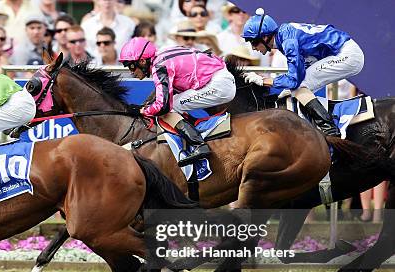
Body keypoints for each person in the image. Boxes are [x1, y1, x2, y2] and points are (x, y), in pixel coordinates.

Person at [241, 8, 364, 137]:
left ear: (265, 37)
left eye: (254, 42)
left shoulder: (287, 40)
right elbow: (297, 76)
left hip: (347, 55)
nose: (253, 48)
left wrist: (264, 80)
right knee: (291, 90)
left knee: (300, 85)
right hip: (343, 53)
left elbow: (294, 80)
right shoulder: (284, 37)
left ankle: (330, 129)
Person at [119, 37, 235, 167]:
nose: (131, 71)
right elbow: (165, 93)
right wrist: (147, 105)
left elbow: (163, 106)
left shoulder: (159, 66)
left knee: (171, 107)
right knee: (173, 103)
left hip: (219, 85)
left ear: (142, 61)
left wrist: (142, 110)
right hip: (219, 79)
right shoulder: (161, 56)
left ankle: (199, 145)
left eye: (132, 66)